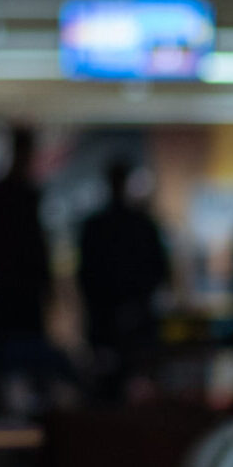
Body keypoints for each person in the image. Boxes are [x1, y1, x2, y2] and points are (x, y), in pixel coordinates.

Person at [0, 125, 69, 417]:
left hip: (24, 291)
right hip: (12, 290)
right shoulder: (2, 194)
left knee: (28, 367)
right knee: (6, 367)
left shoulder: (26, 195)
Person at [76, 159, 170, 402]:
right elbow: (159, 272)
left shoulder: (100, 227)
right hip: (125, 324)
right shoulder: (139, 225)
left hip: (119, 323)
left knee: (115, 390)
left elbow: (86, 277)